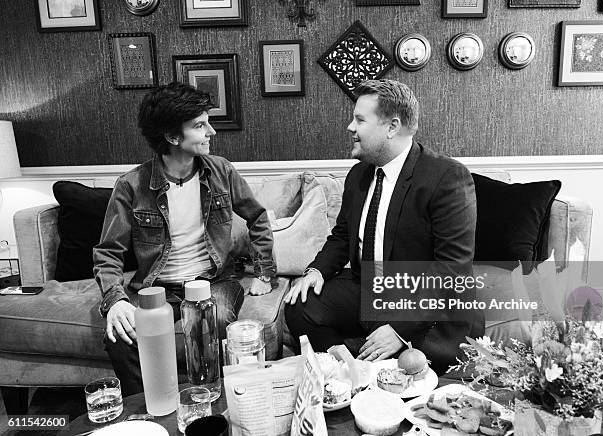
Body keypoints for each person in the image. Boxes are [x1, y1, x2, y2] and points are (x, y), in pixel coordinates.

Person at [284, 79, 483, 374]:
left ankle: (371, 353)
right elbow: (342, 236)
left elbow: (452, 268)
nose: (350, 127)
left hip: (419, 295)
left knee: (430, 357)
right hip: (369, 287)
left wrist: (400, 328)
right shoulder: (358, 176)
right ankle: (350, 361)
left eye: (360, 120)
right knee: (298, 305)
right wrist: (316, 271)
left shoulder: (447, 177)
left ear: (391, 127)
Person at [93, 82, 276, 395]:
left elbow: (257, 217)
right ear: (172, 136)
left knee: (213, 321)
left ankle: (210, 402)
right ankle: (149, 412)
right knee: (119, 336)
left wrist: (263, 273)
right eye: (200, 125)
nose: (211, 132)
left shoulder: (222, 171)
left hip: (213, 281)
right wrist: (115, 300)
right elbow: (108, 251)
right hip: (156, 288)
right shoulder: (131, 185)